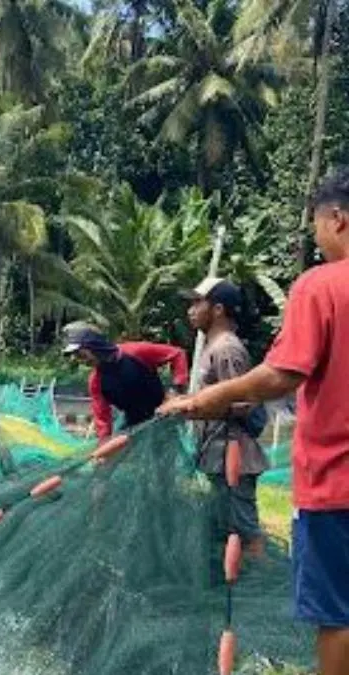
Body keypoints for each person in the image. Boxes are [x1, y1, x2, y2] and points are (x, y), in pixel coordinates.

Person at [159, 168, 349, 674]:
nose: (316, 237)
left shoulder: (322, 286)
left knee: (336, 614)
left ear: (338, 219)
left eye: (315, 225)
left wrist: (201, 402)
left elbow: (279, 377)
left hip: (334, 485)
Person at [182, 277, 268, 558]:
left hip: (235, 455)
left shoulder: (226, 349)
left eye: (197, 303)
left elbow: (242, 402)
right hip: (218, 453)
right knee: (228, 526)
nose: (190, 310)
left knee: (244, 529)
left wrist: (191, 407)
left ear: (218, 309)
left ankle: (259, 583)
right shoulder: (213, 346)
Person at [61, 323, 190, 440]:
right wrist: (104, 445)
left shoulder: (135, 352)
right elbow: (102, 420)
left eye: (80, 355)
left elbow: (177, 354)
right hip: (134, 426)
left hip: (166, 414)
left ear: (94, 345)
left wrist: (175, 391)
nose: (79, 360)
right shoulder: (96, 382)